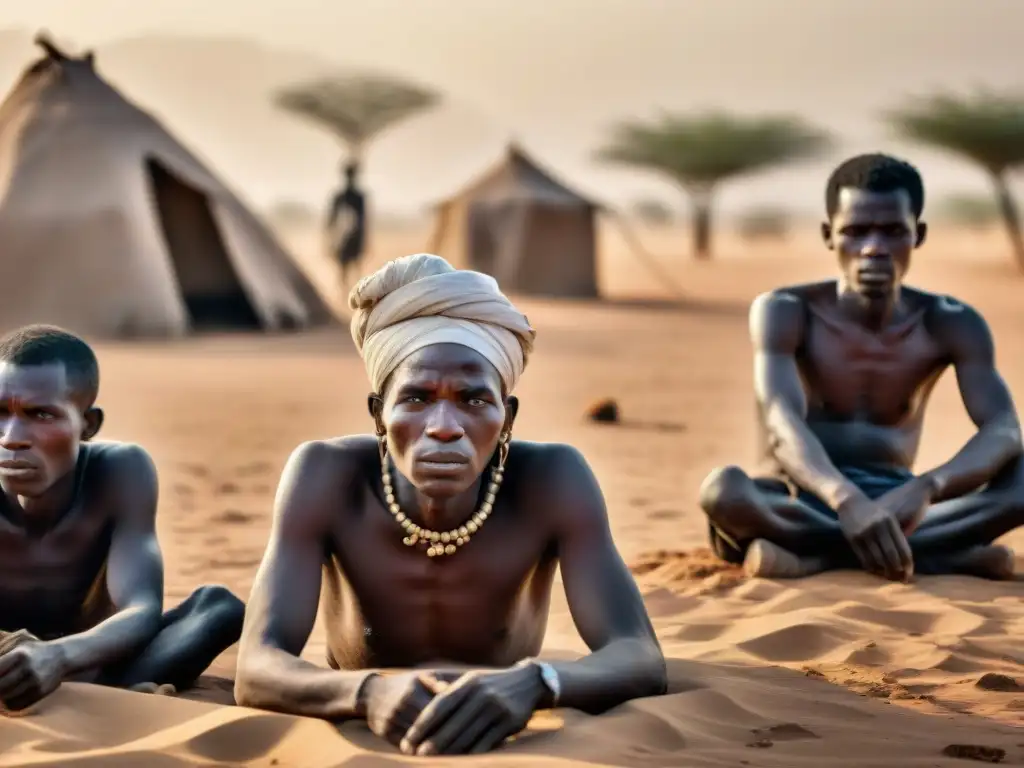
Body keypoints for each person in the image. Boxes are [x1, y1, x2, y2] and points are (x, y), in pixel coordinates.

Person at [235, 253, 666, 756]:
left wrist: (535, 684)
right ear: (379, 414)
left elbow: (637, 653)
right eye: (416, 399)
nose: (443, 425)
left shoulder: (552, 480)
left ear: (506, 419)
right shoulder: (326, 476)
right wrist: (367, 693)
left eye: (473, 400)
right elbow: (257, 666)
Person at [699, 153, 1024, 583]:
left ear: (918, 234)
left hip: (900, 503)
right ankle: (941, 554)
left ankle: (814, 557)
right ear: (828, 235)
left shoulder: (950, 321)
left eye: (893, 232)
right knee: (724, 492)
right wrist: (844, 498)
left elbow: (1003, 429)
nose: (873, 248)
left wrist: (928, 486)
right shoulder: (785, 310)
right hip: (801, 496)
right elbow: (781, 421)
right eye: (855, 232)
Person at [0, 325, 245, 711]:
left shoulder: (119, 471)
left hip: (92, 654)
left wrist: (57, 657)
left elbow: (141, 609)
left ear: (88, 425)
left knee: (218, 610)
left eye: (40, 414)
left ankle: (83, 687)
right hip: (9, 660)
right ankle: (97, 692)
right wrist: (16, 651)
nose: (11, 437)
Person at [326, 160, 368, 292]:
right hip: (345, 238)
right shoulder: (353, 197)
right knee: (346, 269)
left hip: (349, 238)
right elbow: (332, 219)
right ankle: (347, 294)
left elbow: (331, 220)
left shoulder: (345, 197)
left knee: (349, 268)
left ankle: (351, 294)